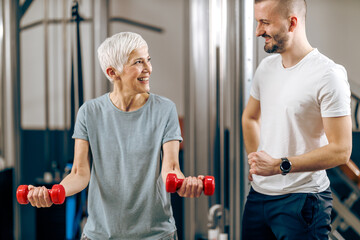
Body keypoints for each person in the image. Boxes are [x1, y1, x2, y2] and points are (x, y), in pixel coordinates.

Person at [26, 32, 205, 240]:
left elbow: (171, 169)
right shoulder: (89, 112)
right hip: (100, 235)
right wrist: (50, 194)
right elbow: (79, 173)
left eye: (148, 59)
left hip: (156, 235)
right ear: (113, 72)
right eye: (138, 62)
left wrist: (184, 185)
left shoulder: (165, 109)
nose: (148, 69)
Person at [241, 0, 352, 239]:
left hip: (302, 200)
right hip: (258, 197)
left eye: (265, 23)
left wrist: (280, 165)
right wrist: (256, 160)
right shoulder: (266, 68)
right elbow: (250, 117)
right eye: (257, 22)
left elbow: (341, 150)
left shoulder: (328, 75)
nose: (258, 31)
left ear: (292, 23)